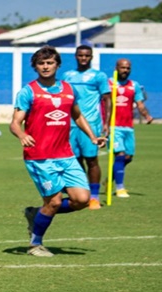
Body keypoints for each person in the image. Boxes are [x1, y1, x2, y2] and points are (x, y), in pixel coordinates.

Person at [9, 46, 106, 257]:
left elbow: (78, 116)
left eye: (49, 62)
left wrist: (92, 136)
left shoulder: (69, 90)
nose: (45, 66)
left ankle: (37, 214)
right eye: (41, 63)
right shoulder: (28, 91)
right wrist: (22, 135)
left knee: (81, 199)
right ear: (35, 66)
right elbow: (15, 123)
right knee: (53, 202)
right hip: (39, 157)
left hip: (66, 155)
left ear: (57, 65)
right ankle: (35, 244)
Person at [61, 45, 111, 210]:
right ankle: (81, 191)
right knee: (74, 161)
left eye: (87, 56)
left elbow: (107, 99)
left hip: (91, 124)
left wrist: (106, 123)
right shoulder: (67, 75)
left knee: (91, 160)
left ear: (91, 57)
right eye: (81, 55)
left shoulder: (99, 76)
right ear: (76, 56)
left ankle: (94, 198)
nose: (84, 58)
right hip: (70, 125)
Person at [109, 58, 153, 198]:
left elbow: (139, 104)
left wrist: (147, 116)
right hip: (113, 127)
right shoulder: (109, 84)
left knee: (128, 157)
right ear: (116, 68)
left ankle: (109, 179)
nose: (125, 70)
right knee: (120, 156)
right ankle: (120, 188)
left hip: (128, 127)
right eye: (122, 68)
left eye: (128, 68)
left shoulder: (134, 85)